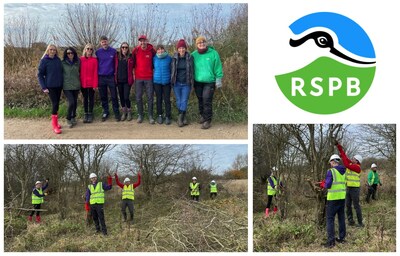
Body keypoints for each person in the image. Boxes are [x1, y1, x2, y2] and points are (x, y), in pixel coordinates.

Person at [191, 36, 223, 129]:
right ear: (197, 44)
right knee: (200, 99)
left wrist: (219, 78)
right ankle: (203, 116)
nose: (201, 44)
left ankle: (208, 120)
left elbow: (218, 66)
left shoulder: (213, 53)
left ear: (206, 43)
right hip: (198, 81)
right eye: (199, 43)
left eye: (203, 42)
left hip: (209, 81)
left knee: (206, 100)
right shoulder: (193, 55)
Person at [335, 140, 364, 227]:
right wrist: (339, 146)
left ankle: (360, 223)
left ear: (357, 161)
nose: (352, 159)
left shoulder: (357, 167)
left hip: (355, 189)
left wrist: (343, 156)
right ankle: (350, 221)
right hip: (348, 188)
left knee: (356, 206)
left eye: (354, 158)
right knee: (347, 205)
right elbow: (345, 157)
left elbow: (346, 164)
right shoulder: (352, 163)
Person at [37, 44, 63, 134]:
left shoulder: (58, 60)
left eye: (54, 50)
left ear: (56, 51)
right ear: (48, 50)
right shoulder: (44, 61)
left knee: (57, 104)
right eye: (51, 49)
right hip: (50, 86)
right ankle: (54, 125)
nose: (52, 51)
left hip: (59, 86)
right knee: (55, 104)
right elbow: (40, 75)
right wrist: (43, 87)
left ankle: (56, 122)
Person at [323, 154, 347, 248]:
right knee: (341, 218)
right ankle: (341, 238)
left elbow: (328, 185)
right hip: (342, 198)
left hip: (333, 199)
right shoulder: (344, 171)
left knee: (330, 219)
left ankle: (331, 242)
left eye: (330, 162)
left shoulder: (331, 171)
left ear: (333, 161)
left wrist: (323, 185)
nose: (330, 164)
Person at [132, 35, 156, 124]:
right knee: (138, 97)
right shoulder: (136, 50)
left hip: (149, 78)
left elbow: (155, 62)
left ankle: (150, 116)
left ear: (147, 41)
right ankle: (140, 115)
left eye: (144, 41)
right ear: (139, 42)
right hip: (138, 78)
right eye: (141, 41)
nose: (142, 43)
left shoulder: (151, 50)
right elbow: (133, 63)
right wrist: (134, 73)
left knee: (150, 97)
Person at [96, 35, 120, 122]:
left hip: (111, 77)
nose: (104, 43)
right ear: (100, 43)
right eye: (102, 42)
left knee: (114, 96)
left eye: (105, 41)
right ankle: (105, 111)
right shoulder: (97, 52)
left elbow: (116, 64)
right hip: (101, 77)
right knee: (103, 96)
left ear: (108, 41)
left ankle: (116, 112)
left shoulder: (113, 51)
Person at [171, 39, 194, 127]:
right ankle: (183, 117)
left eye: (183, 48)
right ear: (177, 49)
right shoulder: (174, 58)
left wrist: (192, 82)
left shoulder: (190, 57)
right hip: (176, 83)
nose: (181, 50)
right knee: (179, 100)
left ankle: (180, 118)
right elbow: (171, 70)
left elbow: (192, 70)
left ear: (186, 48)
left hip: (186, 83)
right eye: (180, 48)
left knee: (184, 100)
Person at [153, 45, 172, 125]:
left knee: (167, 100)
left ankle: (168, 116)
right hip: (157, 82)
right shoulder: (154, 59)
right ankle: (159, 115)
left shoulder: (169, 58)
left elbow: (172, 69)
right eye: (158, 49)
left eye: (161, 49)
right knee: (159, 99)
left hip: (167, 82)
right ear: (156, 51)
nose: (160, 51)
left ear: (164, 50)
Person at [115, 42, 134, 121]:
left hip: (127, 81)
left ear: (128, 48)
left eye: (126, 47)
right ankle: (124, 111)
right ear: (120, 48)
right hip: (119, 80)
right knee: (121, 97)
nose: (124, 49)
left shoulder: (131, 57)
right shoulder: (117, 57)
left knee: (126, 97)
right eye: (123, 47)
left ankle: (129, 111)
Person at [62, 47, 81, 128]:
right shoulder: (62, 63)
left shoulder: (78, 62)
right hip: (67, 86)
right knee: (72, 102)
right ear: (66, 54)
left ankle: (73, 117)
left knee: (75, 103)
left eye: (72, 53)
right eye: (68, 53)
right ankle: (68, 118)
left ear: (74, 53)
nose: (70, 54)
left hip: (76, 85)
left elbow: (80, 72)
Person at [80, 43, 98, 123]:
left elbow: (95, 73)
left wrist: (95, 85)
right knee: (85, 99)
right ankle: (85, 113)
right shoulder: (81, 59)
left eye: (91, 49)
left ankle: (90, 113)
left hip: (91, 83)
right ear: (85, 50)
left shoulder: (94, 60)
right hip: (83, 83)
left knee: (91, 99)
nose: (89, 50)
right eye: (88, 49)